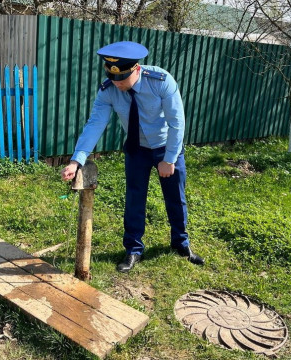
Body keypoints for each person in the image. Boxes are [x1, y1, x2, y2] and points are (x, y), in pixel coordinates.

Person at [61, 41, 204, 273]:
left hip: (167, 147)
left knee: (176, 198)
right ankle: (133, 250)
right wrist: (76, 160)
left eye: (122, 79)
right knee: (134, 199)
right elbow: (95, 124)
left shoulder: (160, 81)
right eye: (113, 78)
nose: (117, 84)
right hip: (137, 149)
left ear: (136, 69)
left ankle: (181, 244)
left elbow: (177, 122)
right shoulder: (108, 90)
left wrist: (168, 159)